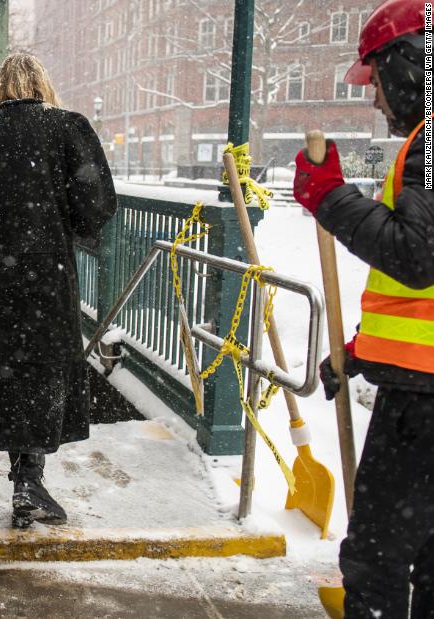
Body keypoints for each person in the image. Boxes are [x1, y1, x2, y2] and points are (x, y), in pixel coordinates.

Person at [292, 1, 434, 616]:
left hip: (422, 406)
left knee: (377, 558)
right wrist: (361, 354)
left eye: (375, 80)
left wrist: (329, 197)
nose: (375, 100)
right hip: (418, 383)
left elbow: (417, 255)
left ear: (410, 65)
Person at [0, 53, 117, 528]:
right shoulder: (69, 128)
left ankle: (24, 476)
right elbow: (97, 206)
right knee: (41, 371)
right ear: (43, 84)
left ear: (0, 88)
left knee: (4, 371)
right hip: (47, 275)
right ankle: (29, 477)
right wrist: (61, 220)